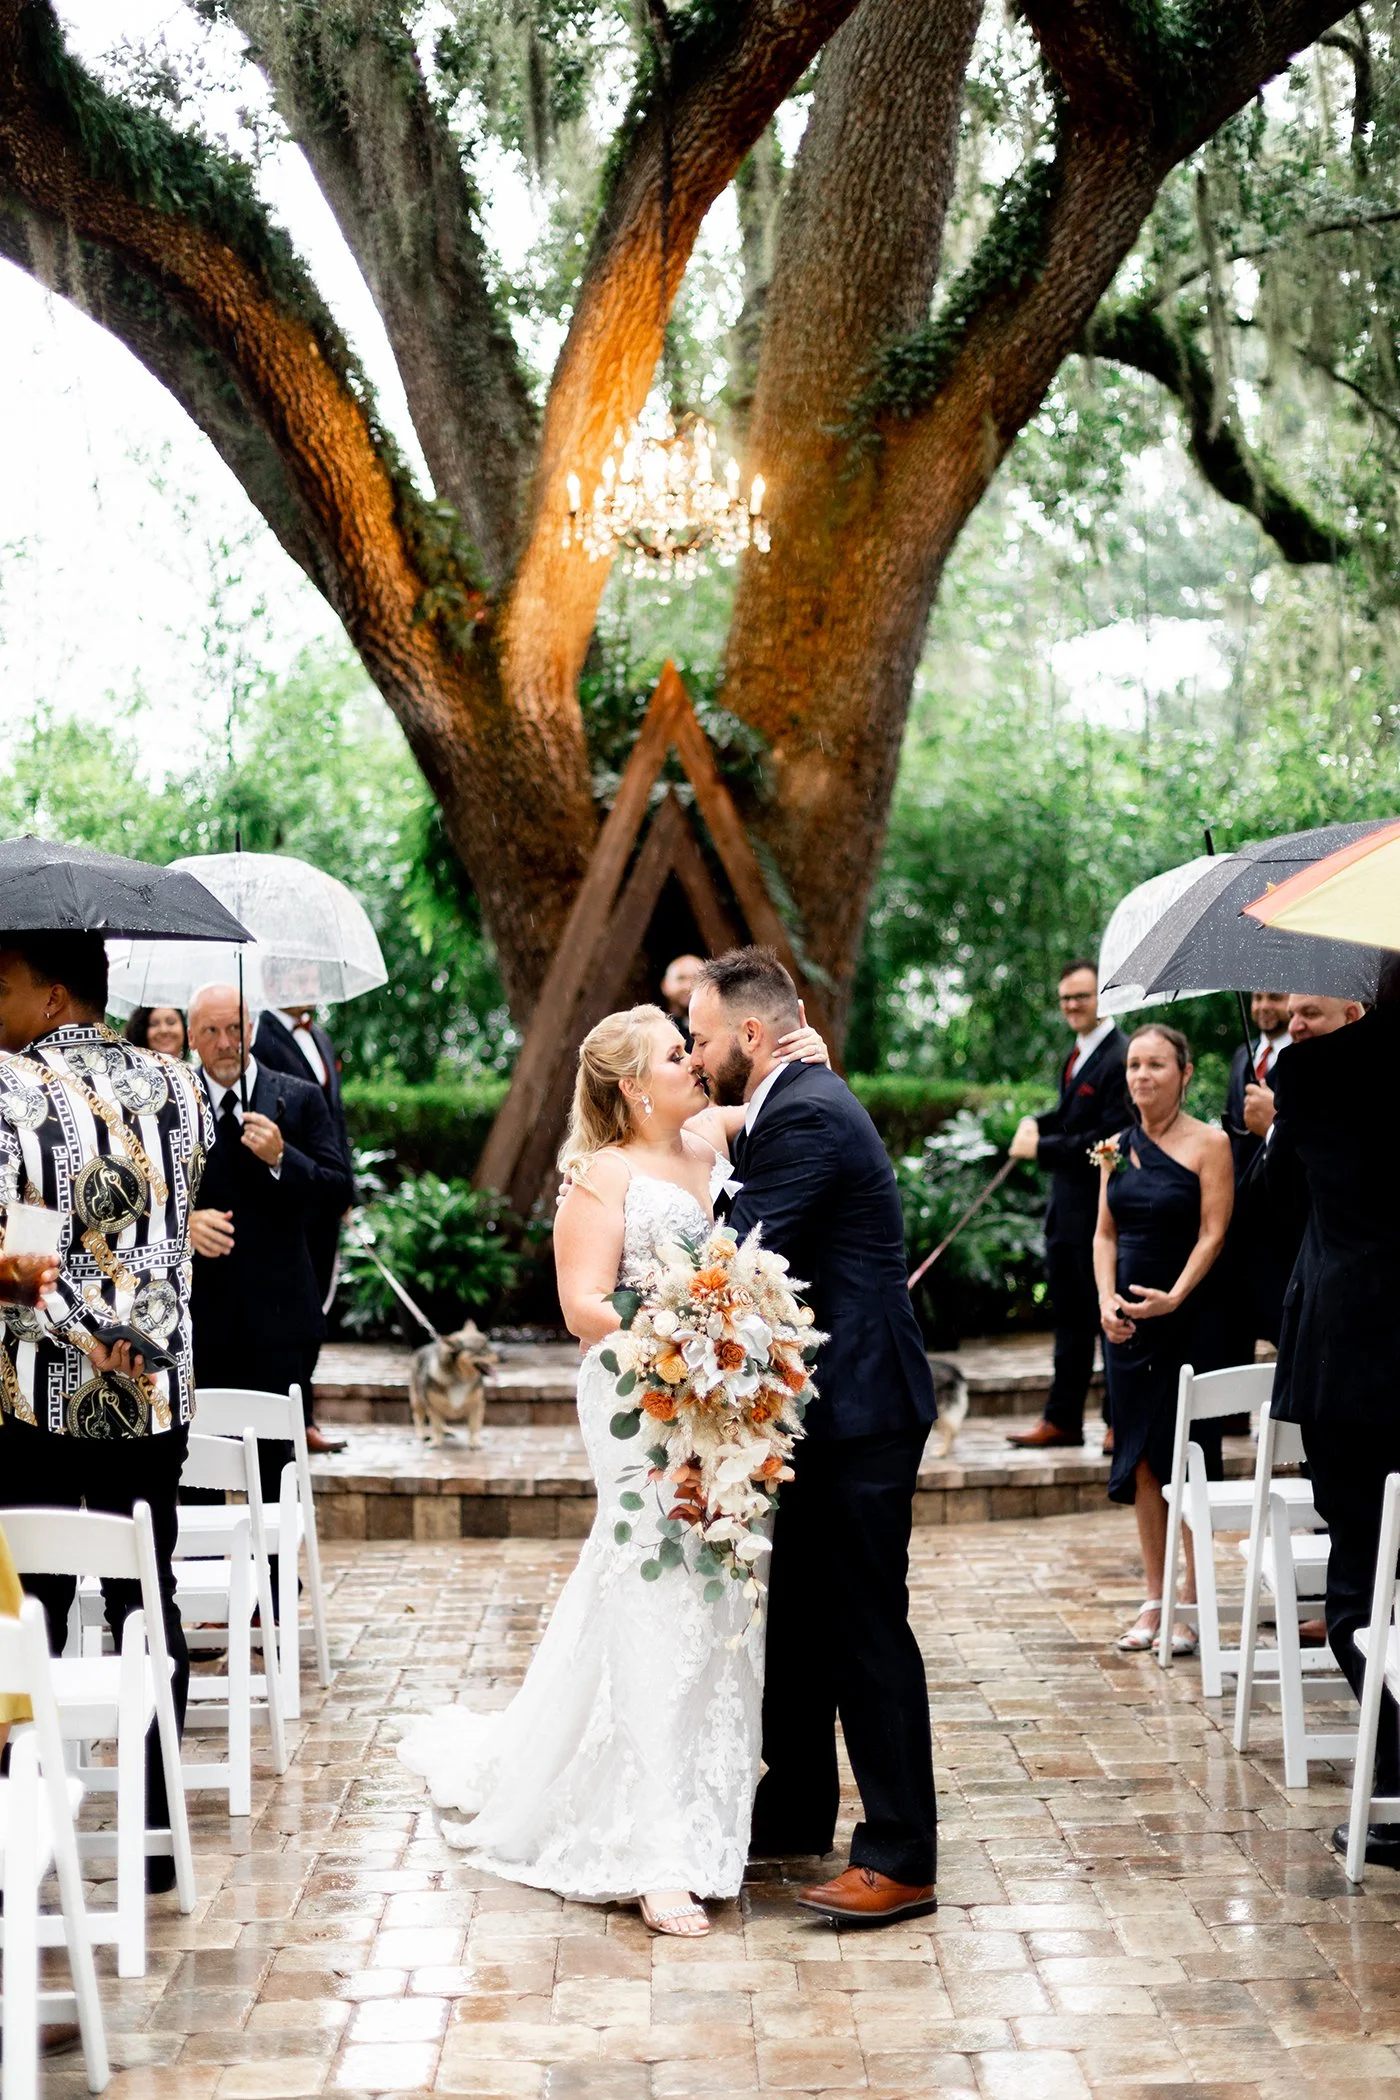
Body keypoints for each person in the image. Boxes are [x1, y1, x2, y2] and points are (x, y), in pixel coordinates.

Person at [396, 997, 831, 1938]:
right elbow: (580, 1303)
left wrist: (811, 1054)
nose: (695, 1062)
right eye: (678, 1054)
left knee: (717, 1590)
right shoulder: (603, 1174)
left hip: (719, 1401)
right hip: (639, 1403)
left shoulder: (712, 1138)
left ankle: (708, 1812)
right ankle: (652, 1849)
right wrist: (678, 1326)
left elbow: (791, 1101)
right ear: (635, 1088)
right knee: (650, 1589)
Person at [690, 948, 939, 1928]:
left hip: (861, 1413)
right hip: (816, 1416)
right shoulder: (795, 1102)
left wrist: (710, 1145)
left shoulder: (801, 1113)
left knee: (864, 1630)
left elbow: (742, 1250)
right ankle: (793, 1812)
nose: (695, 1057)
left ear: (752, 1035)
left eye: (704, 1039)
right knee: (792, 1621)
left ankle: (899, 1856)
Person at [0, 930, 212, 1892]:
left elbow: (20, 1255)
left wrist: (86, 1331)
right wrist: (128, 1332)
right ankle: (158, 1834)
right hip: (159, 1385)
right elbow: (158, 1228)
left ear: (50, 998)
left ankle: (22, 1828)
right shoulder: (188, 1086)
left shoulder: (7, 1089)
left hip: (37, 1392)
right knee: (146, 1595)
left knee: (31, 1610)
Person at [1261, 965, 1400, 1868]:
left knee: (1357, 1587)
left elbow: (1273, 1228)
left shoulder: (1309, 1078)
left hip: (1356, 1370)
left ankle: (1392, 1779)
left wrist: (1274, 1135)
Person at [1093, 1024, 1233, 1657]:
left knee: (1189, 1458)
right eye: (1133, 1066)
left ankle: (1192, 1603)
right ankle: (1156, 1598)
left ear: (1185, 1071)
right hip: (1127, 1327)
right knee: (1144, 1462)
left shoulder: (1211, 1143)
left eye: (1155, 1065)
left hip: (1190, 1319)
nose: (1141, 1076)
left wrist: (1175, 1296)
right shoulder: (1113, 1148)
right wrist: (1105, 1302)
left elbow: (1213, 1231)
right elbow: (1105, 1234)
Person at [186, 985, 353, 1503]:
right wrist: (185, 1223)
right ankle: (208, 1576)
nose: (225, 1042)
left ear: (254, 1031)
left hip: (279, 1319)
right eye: (211, 1031)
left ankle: (279, 1579)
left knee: (278, 1467)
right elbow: (144, 1198)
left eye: (235, 1029)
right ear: (192, 1037)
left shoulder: (297, 1096)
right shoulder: (172, 1104)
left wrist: (285, 1158)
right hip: (200, 1319)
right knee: (200, 1470)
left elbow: (338, 1188)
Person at [1006, 961, 1129, 1451]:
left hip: (1099, 1212)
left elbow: (1109, 1139)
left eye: (1081, 996)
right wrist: (1035, 1121)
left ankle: (1119, 1420)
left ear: (1105, 997)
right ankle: (1063, 1419)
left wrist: (1043, 1149)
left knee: (1105, 1318)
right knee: (1070, 1323)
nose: (1072, 1006)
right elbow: (1067, 1114)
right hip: (1065, 1212)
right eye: (1065, 999)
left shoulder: (1120, 1057)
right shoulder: (1078, 1053)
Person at [253, 1001, 355, 1455]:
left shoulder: (321, 1037)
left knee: (316, 1307)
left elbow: (335, 1121)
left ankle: (303, 1414)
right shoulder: (262, 1033)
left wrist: (346, 1191)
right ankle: (297, 1419)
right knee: (296, 1312)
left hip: (322, 1188)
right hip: (282, 1193)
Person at [124, 1006, 189, 1059]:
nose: (164, 1030)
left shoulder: (195, 1073)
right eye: (154, 1024)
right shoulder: (131, 1072)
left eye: (171, 1022)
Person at [661, 953, 704, 1024]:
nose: (688, 986)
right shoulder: (655, 1029)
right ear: (664, 985)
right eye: (681, 978)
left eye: (696, 979)